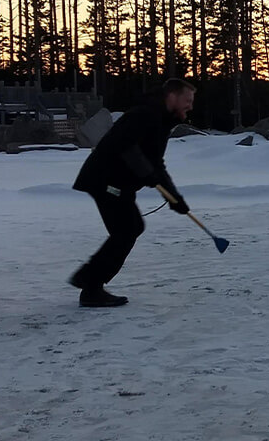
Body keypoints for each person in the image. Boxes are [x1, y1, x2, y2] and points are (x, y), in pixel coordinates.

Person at [69, 79, 195, 307]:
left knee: (130, 228)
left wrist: (173, 197)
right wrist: (148, 174)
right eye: (187, 100)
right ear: (173, 96)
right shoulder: (146, 114)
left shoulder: (161, 119)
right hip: (105, 180)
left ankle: (90, 282)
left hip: (117, 182)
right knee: (127, 229)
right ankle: (90, 285)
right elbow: (126, 145)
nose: (190, 106)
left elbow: (156, 163)